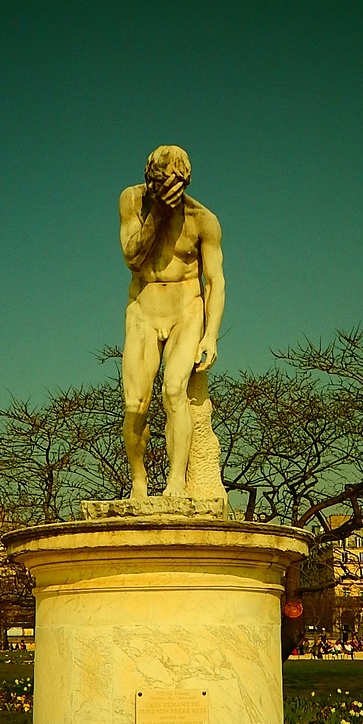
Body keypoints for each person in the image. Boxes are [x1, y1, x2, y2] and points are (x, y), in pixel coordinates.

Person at [119, 145, 226, 499]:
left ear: (184, 182)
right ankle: (138, 481)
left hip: (186, 311)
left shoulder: (202, 220)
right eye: (155, 183)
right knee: (135, 405)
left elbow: (215, 281)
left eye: (169, 185)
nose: (160, 190)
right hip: (144, 309)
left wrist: (211, 335)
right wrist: (159, 216)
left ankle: (176, 482)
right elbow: (133, 257)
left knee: (174, 390)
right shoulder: (132, 201)